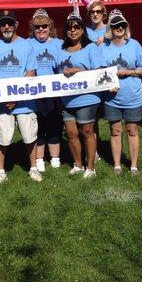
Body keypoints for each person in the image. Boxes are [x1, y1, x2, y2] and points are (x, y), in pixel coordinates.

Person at [0, 11, 41, 184]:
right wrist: (3, 99)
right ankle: (1, 171)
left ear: (16, 24)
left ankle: (33, 168)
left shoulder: (26, 46)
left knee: (29, 136)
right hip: (1, 102)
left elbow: (30, 72)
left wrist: (15, 98)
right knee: (1, 137)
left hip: (24, 101)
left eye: (10, 23)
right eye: (3, 24)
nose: (7, 27)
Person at [56, 13, 104, 178]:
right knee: (70, 133)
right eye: (69, 27)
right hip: (67, 99)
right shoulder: (60, 50)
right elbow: (55, 73)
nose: (73, 30)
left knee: (86, 131)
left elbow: (98, 72)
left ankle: (90, 168)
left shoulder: (91, 48)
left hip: (87, 98)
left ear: (83, 30)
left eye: (77, 27)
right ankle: (77, 164)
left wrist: (79, 71)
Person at [100, 9, 142, 174]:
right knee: (115, 130)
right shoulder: (103, 47)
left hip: (132, 96)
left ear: (125, 27)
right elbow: (99, 71)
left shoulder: (135, 45)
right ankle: (117, 165)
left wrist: (129, 72)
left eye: (121, 25)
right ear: (110, 28)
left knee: (132, 130)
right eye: (115, 25)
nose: (118, 28)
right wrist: (106, 85)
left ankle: (133, 165)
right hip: (112, 97)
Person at [28, 9, 63, 171]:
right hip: (34, 92)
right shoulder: (27, 44)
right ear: (32, 29)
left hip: (55, 92)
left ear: (50, 27)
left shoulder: (59, 43)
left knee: (55, 123)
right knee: (38, 126)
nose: (41, 29)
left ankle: (55, 158)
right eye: (37, 27)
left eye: (44, 26)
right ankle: (40, 159)